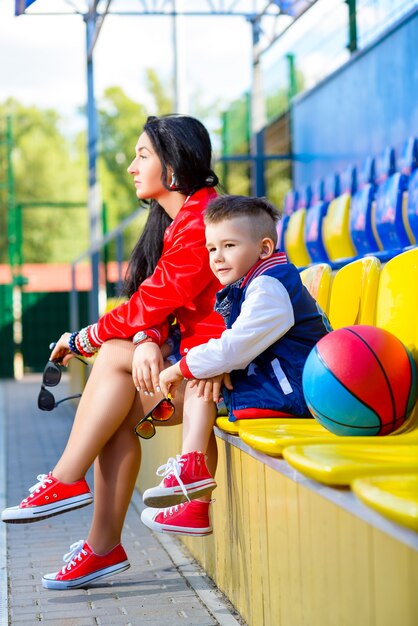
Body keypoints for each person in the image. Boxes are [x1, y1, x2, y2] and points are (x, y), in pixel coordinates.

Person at [1, 114, 226, 589]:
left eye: (142, 155)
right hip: (194, 364)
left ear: (173, 165)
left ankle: (67, 482)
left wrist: (82, 339)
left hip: (224, 376)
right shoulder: (178, 221)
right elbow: (158, 304)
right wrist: (146, 339)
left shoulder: (207, 220)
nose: (130, 166)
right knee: (116, 413)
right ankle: (101, 547)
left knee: (108, 359)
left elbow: (151, 301)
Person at [140, 194, 331, 534]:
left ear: (264, 248)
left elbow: (236, 347)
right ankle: (193, 487)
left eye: (229, 245)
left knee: (200, 375)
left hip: (298, 392)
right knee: (205, 378)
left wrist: (179, 368)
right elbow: (238, 349)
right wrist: (209, 367)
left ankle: (192, 479)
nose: (218, 257)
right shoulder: (253, 282)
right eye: (211, 248)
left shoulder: (270, 285)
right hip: (279, 384)